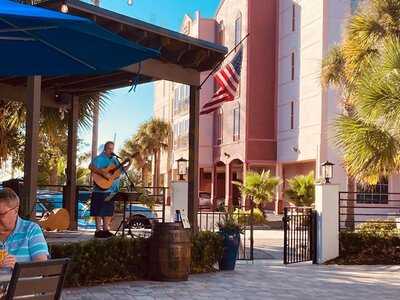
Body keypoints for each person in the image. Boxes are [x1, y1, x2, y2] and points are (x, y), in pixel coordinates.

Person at [89, 141, 131, 238]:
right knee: (98, 210)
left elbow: (120, 172)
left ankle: (106, 230)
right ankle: (98, 230)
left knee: (108, 211)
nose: (111, 150)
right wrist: (103, 173)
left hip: (111, 190)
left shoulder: (115, 160)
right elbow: (91, 166)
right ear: (105, 148)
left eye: (112, 148)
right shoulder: (99, 158)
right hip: (99, 189)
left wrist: (129, 164)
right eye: (109, 148)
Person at [0, 188, 49, 269]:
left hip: (23, 281)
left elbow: (41, 268)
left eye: (1, 214)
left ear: (15, 211)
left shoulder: (31, 230)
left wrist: (18, 268)